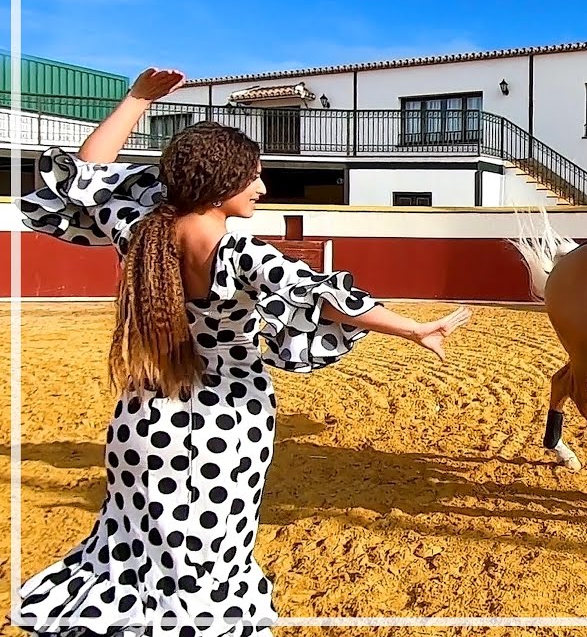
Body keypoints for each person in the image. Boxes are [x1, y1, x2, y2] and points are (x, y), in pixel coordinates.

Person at [12, 67, 472, 637]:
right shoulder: (241, 253)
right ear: (220, 182)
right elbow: (326, 300)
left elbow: (87, 175)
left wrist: (136, 99)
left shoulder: (140, 226)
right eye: (253, 177)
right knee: (213, 555)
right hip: (226, 421)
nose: (262, 188)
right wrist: (413, 329)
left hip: (144, 415)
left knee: (129, 548)